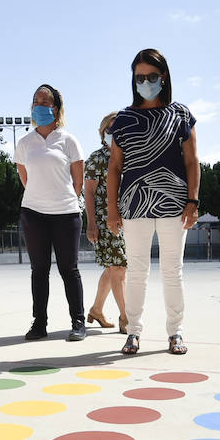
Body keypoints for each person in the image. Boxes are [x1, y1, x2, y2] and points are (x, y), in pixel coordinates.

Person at [106, 49, 199, 356]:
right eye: (139, 77)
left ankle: (176, 333)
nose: (145, 82)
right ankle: (133, 332)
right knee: (137, 272)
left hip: (174, 205)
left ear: (164, 77)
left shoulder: (181, 114)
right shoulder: (123, 119)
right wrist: (111, 210)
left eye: (151, 77)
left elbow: (192, 161)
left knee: (173, 270)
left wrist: (193, 201)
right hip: (134, 206)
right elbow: (115, 168)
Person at [16, 83, 86, 341]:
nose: (39, 105)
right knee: (39, 270)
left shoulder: (69, 140)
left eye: (45, 101)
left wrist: (61, 198)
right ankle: (39, 324)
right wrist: (41, 196)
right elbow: (24, 177)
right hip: (33, 213)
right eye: (36, 100)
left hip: (66, 214)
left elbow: (78, 181)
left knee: (69, 269)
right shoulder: (24, 143)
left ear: (56, 108)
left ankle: (78, 322)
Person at [83, 112, 128, 333]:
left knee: (113, 269)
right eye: (111, 130)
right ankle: (126, 318)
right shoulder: (96, 158)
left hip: (129, 220)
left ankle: (97, 310)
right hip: (104, 221)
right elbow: (88, 193)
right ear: (103, 133)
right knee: (118, 268)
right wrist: (91, 223)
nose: (115, 133)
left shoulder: (131, 156)